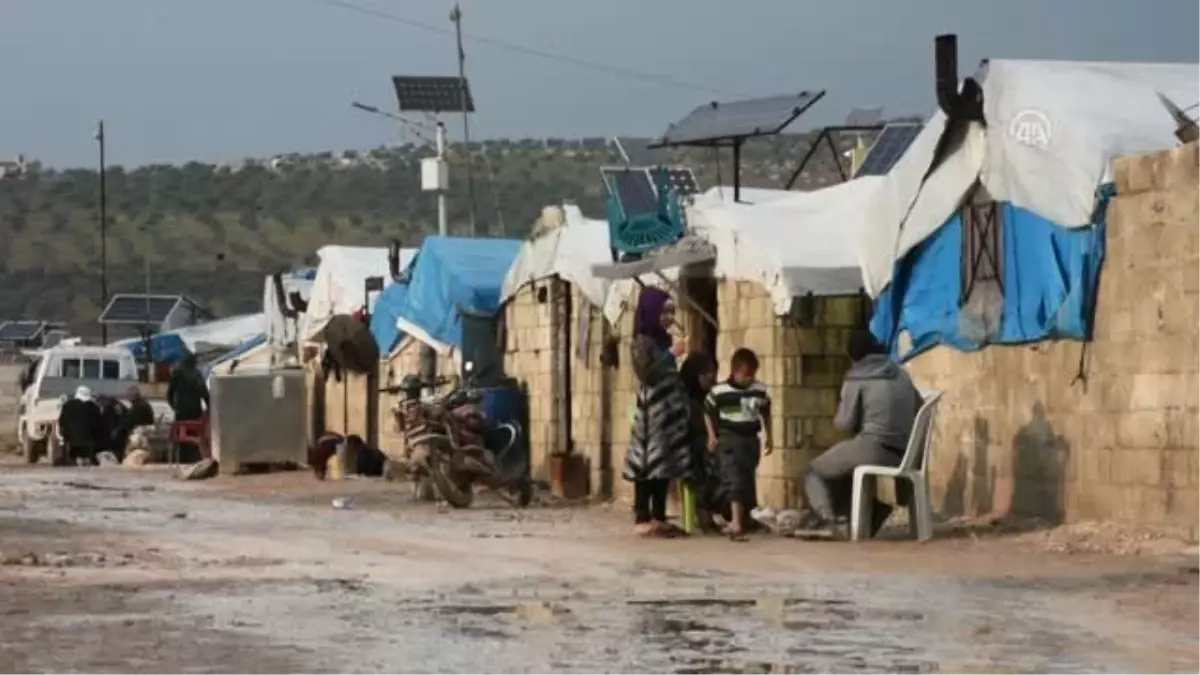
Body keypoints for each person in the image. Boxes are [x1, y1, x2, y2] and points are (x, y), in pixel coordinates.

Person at [800, 329, 922, 538]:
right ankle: (874, 511)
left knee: (814, 471)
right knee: (843, 465)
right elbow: (918, 406)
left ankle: (826, 521)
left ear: (853, 356)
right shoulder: (901, 374)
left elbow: (844, 422)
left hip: (874, 447)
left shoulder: (857, 377)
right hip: (905, 452)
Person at [623, 287, 691, 538]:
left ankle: (659, 516)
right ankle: (642, 515)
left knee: (664, 464)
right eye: (665, 312)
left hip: (668, 412)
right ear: (652, 311)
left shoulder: (663, 339)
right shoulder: (642, 341)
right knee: (647, 462)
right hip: (652, 413)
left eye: (672, 312)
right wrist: (670, 355)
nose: (669, 317)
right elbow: (647, 374)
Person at [705, 348, 773, 542]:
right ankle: (735, 522)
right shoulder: (720, 392)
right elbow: (708, 412)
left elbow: (766, 414)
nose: (749, 379)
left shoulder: (759, 390)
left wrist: (770, 436)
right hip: (729, 438)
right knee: (734, 478)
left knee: (747, 477)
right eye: (745, 375)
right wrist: (712, 436)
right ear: (734, 372)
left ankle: (745, 517)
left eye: (752, 375)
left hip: (750, 438)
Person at [679, 352, 722, 532]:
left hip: (708, 443)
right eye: (705, 373)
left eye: (712, 372)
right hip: (686, 448)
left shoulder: (712, 396)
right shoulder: (683, 398)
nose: (710, 377)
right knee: (705, 463)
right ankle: (703, 512)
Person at [167, 354, 210, 463]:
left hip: (181, 411)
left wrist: (174, 406)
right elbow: (204, 393)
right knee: (194, 436)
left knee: (181, 437)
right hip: (195, 411)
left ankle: (181, 459)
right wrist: (209, 407)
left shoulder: (178, 373)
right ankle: (194, 459)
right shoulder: (197, 374)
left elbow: (170, 393)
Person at [58, 386, 103, 466]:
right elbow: (99, 424)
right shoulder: (93, 407)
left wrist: (64, 435)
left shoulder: (67, 405)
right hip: (89, 441)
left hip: (72, 440)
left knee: (75, 459)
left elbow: (62, 421)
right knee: (87, 459)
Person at [113, 385, 156, 462]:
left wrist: (118, 429)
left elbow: (130, 420)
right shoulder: (140, 404)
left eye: (128, 396)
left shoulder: (139, 406)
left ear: (134, 396)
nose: (127, 398)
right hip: (142, 432)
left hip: (140, 434)